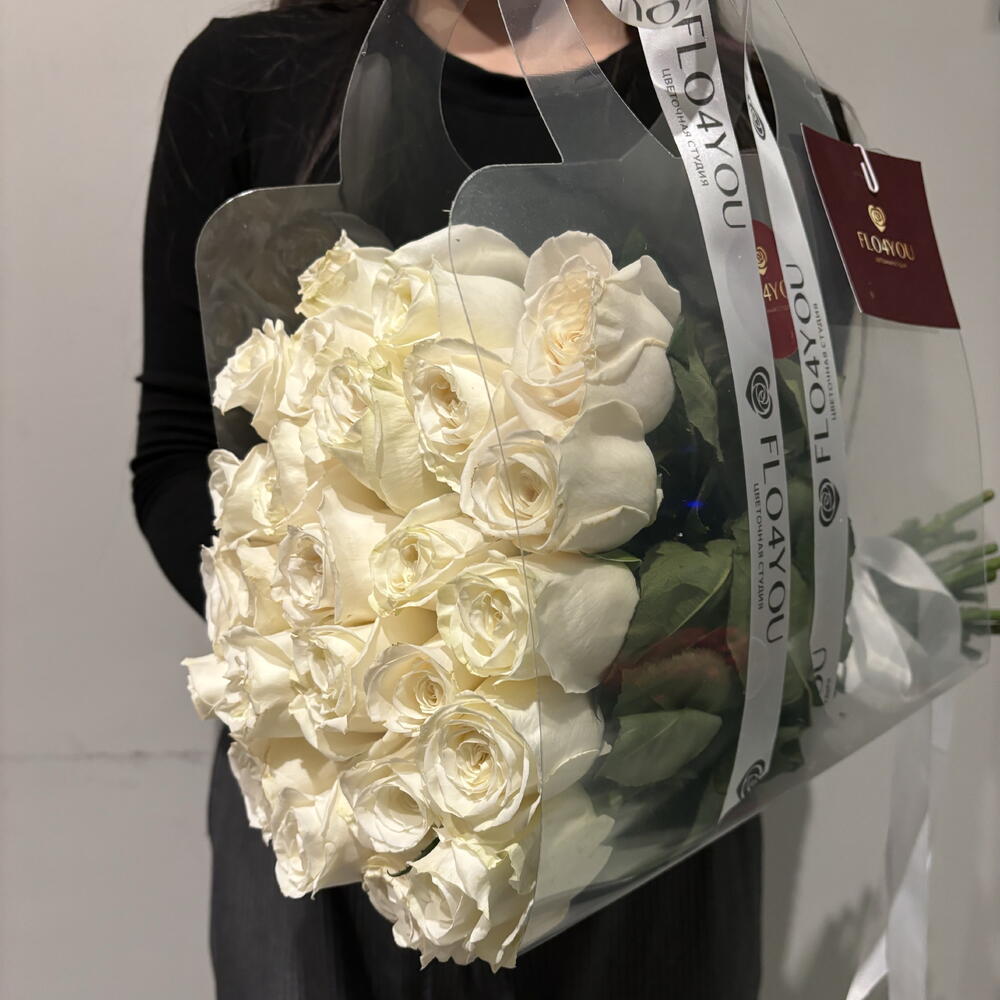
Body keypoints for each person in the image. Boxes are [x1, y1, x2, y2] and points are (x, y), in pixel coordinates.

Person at [131, 0, 834, 995]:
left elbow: (805, 480)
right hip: (348, 802)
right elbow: (175, 451)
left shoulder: (743, 112)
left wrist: (671, 653)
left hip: (649, 831)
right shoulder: (254, 79)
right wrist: (349, 660)